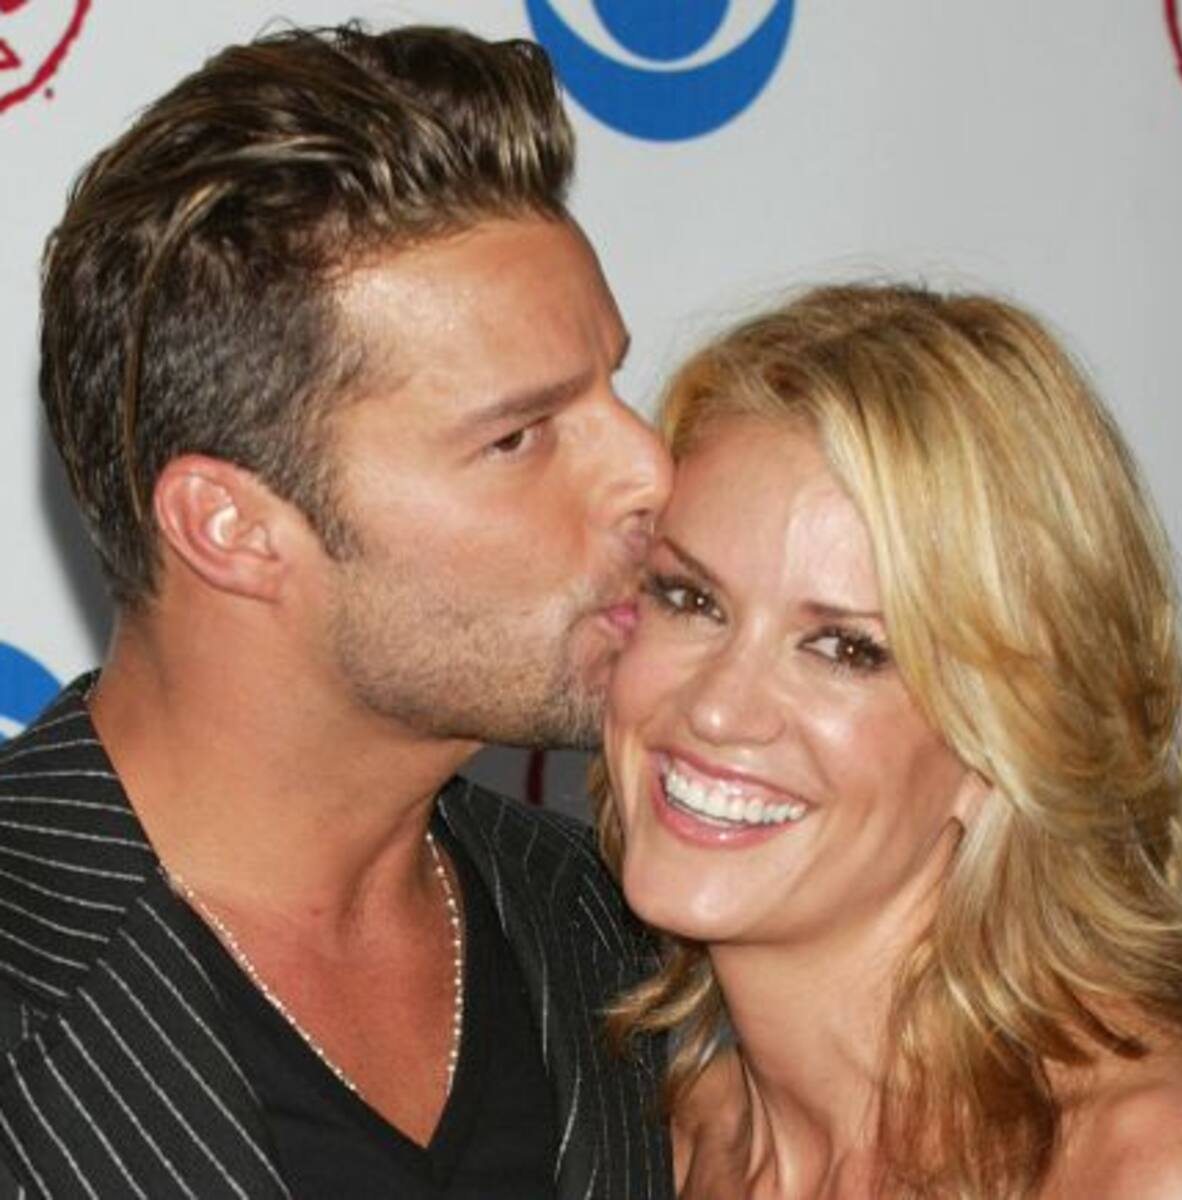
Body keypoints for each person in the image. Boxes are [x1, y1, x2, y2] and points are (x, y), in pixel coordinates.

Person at [0, 22, 679, 1199]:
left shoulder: (632, 933)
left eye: (614, 387)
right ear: (230, 527)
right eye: (519, 437)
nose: (651, 474)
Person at [598, 284, 1182, 1198]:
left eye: (846, 650)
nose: (718, 709)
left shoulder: (1150, 1166)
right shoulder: (655, 1148)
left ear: (1004, 739)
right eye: (690, 599)